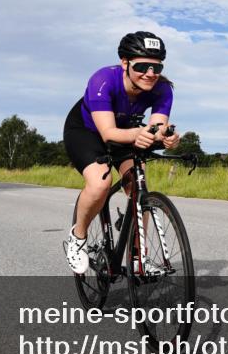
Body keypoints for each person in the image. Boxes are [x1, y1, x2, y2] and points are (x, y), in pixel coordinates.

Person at [63, 31, 181, 274]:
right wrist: (141, 133)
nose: (150, 74)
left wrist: (166, 137)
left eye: (156, 68)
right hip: (87, 132)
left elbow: (156, 127)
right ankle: (78, 237)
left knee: (139, 187)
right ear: (125, 63)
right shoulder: (103, 79)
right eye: (142, 66)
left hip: (127, 131)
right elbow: (107, 133)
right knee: (99, 185)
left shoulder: (162, 89)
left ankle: (139, 257)